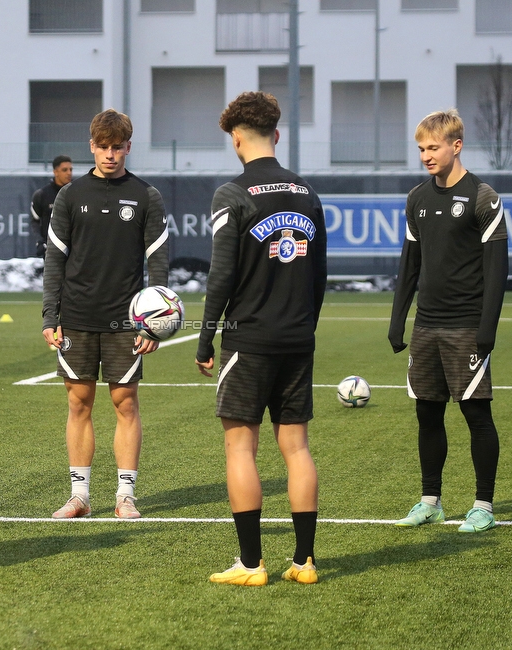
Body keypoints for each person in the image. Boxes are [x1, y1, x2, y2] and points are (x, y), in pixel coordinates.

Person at [197, 91, 327, 586]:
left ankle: (251, 565)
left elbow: (221, 277)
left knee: (240, 449)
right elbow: (319, 276)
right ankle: (304, 562)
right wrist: (302, 328)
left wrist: (205, 339)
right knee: (297, 447)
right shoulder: (307, 193)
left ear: (236, 140)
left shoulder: (232, 195)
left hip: (248, 340)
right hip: (298, 339)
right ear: (277, 134)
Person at [42, 109, 169, 520]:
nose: (110, 154)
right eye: (104, 147)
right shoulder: (70, 195)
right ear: (91, 146)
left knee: (125, 402)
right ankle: (79, 496)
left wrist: (153, 323)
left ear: (128, 147)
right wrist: (50, 316)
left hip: (125, 320)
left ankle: (125, 496)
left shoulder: (147, 195)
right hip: (76, 316)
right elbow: (54, 262)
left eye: (118, 147)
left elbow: (158, 265)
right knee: (78, 402)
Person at [387, 109, 508, 534]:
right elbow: (410, 263)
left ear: (456, 146)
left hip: (466, 327)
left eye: (433, 147)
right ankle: (430, 502)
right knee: (427, 414)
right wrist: (398, 317)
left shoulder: (483, 196)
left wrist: (487, 327)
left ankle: (483, 506)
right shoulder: (417, 198)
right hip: (427, 327)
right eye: (421, 148)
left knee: (476, 416)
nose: (426, 155)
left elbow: (497, 269)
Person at [31, 155, 73, 257]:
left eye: (70, 169)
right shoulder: (42, 195)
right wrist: (40, 242)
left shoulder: (77, 192)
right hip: (51, 252)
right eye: (64, 170)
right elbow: (35, 221)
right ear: (55, 172)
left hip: (74, 251)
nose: (69, 173)